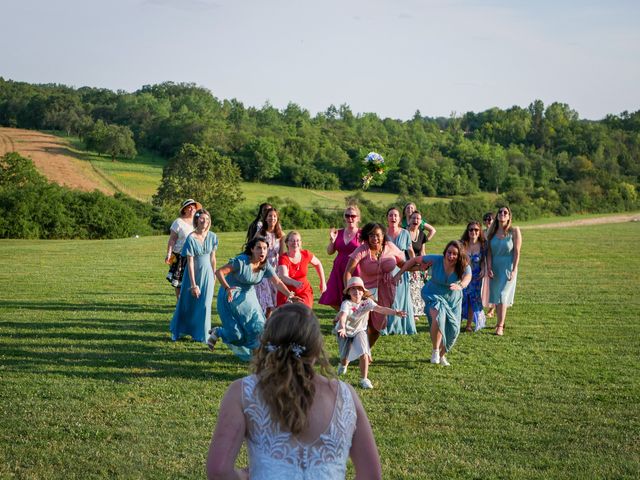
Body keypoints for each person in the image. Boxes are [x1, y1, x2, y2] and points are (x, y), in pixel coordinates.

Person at [206, 303, 382, 480]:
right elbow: (371, 474)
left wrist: (244, 475)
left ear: (267, 343)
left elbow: (219, 470)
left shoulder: (243, 392)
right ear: (316, 348)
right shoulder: (345, 395)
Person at [207, 236, 296, 361]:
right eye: (259, 248)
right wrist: (227, 288)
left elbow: (277, 282)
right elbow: (219, 272)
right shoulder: (241, 262)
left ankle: (260, 358)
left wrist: (289, 295)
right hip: (229, 296)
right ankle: (219, 332)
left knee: (258, 328)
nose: (262, 251)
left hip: (248, 298)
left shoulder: (265, 265)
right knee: (236, 335)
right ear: (252, 249)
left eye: (265, 248)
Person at [394, 240, 471, 366]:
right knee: (438, 317)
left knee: (454, 330)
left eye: (455, 254)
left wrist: (461, 285)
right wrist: (399, 274)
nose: (451, 256)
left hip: (453, 299)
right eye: (449, 253)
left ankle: (442, 355)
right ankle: (435, 350)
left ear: (459, 256)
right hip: (433, 293)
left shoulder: (463, 265)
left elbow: (468, 277)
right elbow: (413, 261)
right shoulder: (436, 259)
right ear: (445, 252)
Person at [335, 277, 405, 390]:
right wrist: (342, 327)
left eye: (359, 289)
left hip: (360, 330)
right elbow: (343, 316)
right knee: (344, 356)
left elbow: (380, 309)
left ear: (363, 292)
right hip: (344, 331)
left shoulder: (367, 302)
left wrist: (395, 312)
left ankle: (364, 379)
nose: (356, 292)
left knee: (364, 352)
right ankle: (343, 364)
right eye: (353, 289)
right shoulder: (346, 304)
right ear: (348, 292)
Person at [344, 222, 405, 350]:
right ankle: (356, 352)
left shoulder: (390, 247)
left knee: (377, 326)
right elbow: (348, 272)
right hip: (366, 291)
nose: (375, 238)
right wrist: (349, 292)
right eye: (371, 235)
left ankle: (366, 351)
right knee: (363, 324)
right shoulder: (363, 249)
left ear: (383, 235)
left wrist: (417, 266)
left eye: (377, 235)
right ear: (367, 236)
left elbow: (403, 264)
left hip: (386, 290)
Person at [169, 209, 217, 343]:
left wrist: (214, 275)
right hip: (192, 275)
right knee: (186, 304)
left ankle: (203, 334)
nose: (204, 221)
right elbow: (189, 262)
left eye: (207, 219)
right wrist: (193, 284)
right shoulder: (191, 238)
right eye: (202, 218)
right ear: (196, 220)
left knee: (205, 305)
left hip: (208, 275)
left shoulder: (213, 237)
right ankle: (177, 330)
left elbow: (213, 258)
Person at [487, 206, 522, 336]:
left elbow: (517, 252)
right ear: (497, 216)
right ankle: (499, 321)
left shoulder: (514, 231)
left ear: (509, 216)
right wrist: (489, 267)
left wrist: (514, 270)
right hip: (495, 268)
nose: (502, 214)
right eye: (500, 212)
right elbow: (489, 253)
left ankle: (500, 326)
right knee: (497, 297)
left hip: (508, 267)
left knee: (503, 295)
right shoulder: (492, 232)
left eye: (505, 212)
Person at [319, 204, 362, 310]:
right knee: (332, 295)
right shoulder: (338, 232)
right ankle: (344, 315)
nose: (350, 218)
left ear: (358, 218)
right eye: (347, 216)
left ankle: (353, 317)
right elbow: (330, 252)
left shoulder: (361, 233)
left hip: (354, 268)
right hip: (339, 268)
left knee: (355, 297)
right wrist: (332, 241)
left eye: (353, 216)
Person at [384, 207, 415, 335]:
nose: (393, 218)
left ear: (399, 219)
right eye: (391, 215)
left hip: (402, 267)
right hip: (386, 268)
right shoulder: (383, 233)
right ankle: (388, 325)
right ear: (387, 218)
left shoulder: (405, 233)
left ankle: (401, 325)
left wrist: (414, 267)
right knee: (388, 297)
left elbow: (410, 251)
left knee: (401, 297)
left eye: (396, 215)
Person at [276, 231, 326, 308]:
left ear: (301, 242)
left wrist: (323, 282)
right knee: (287, 315)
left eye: (297, 240)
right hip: (287, 292)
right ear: (287, 243)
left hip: (304, 291)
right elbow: (283, 276)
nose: (295, 243)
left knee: (305, 313)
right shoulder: (283, 258)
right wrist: (294, 282)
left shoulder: (306, 254)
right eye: (292, 240)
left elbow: (318, 264)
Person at [164, 198, 202, 299]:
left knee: (193, 279)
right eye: (189, 208)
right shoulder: (178, 222)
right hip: (180, 256)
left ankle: (191, 301)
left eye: (194, 208)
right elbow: (172, 239)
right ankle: (179, 301)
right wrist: (169, 254)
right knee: (179, 281)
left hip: (195, 255)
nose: (192, 209)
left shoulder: (198, 222)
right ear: (184, 209)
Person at [254, 208, 285, 317]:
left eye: (274, 216)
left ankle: (268, 321)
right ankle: (261, 319)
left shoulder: (280, 234)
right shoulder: (261, 233)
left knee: (273, 296)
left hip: (275, 267)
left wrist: (282, 270)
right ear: (266, 218)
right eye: (270, 216)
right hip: (263, 267)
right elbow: (253, 249)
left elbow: (282, 254)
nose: (272, 218)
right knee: (264, 296)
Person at [460, 221, 487, 332]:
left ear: (479, 231)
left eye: (476, 230)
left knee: (473, 299)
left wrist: (484, 268)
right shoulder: (462, 244)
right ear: (467, 231)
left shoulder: (483, 245)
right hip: (462, 276)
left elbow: (485, 260)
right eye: (471, 229)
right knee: (461, 298)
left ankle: (469, 325)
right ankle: (456, 321)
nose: (473, 232)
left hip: (476, 276)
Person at [407, 210, 428, 321]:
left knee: (416, 288)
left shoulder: (422, 234)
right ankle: (408, 311)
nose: (415, 220)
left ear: (421, 221)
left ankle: (415, 312)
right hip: (405, 264)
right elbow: (408, 250)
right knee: (408, 288)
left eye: (418, 219)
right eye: (413, 218)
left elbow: (422, 251)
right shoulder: (404, 233)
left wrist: (425, 266)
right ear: (409, 220)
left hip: (417, 264)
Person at [481, 211, 496, 317]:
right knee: (484, 284)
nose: (487, 221)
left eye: (490, 219)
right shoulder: (482, 232)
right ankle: (484, 305)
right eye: (485, 219)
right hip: (485, 260)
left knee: (493, 285)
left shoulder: (496, 233)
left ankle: (492, 309)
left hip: (495, 260)